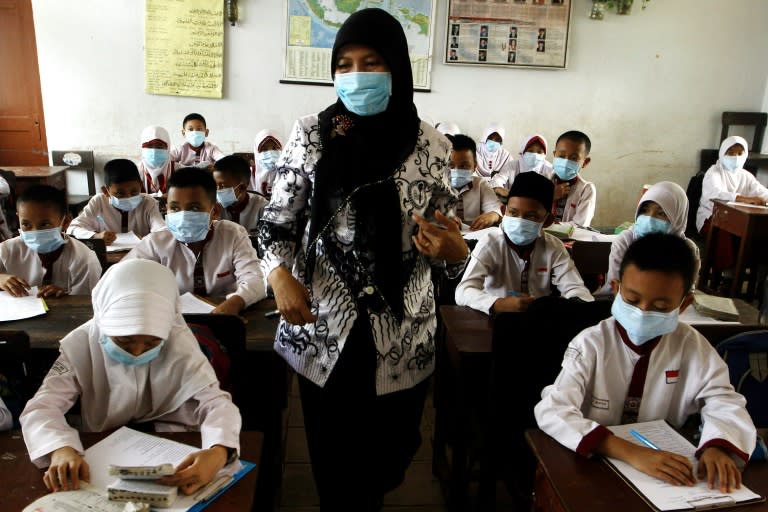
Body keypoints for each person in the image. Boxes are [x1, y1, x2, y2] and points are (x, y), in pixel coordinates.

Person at [258, 8, 469, 510]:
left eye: (372, 62)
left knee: (389, 456)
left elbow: (446, 240)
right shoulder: (312, 133)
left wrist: (455, 252)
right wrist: (279, 274)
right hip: (324, 323)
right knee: (335, 463)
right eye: (345, 63)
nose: (357, 75)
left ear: (397, 65)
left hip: (401, 328)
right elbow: (276, 221)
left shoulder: (433, 147)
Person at [534, 234, 756, 493]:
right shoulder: (591, 344)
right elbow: (552, 409)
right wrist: (630, 452)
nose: (642, 312)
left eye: (660, 307)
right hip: (592, 462)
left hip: (666, 467)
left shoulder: (693, 347)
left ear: (684, 305)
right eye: (632, 300)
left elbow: (724, 401)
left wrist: (718, 445)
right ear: (616, 289)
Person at [20, 259, 241, 495]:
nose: (137, 352)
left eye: (152, 342)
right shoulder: (82, 344)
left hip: (177, 446)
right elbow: (41, 407)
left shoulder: (179, 342)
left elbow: (216, 403)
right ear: (103, 321)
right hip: (105, 450)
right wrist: (60, 448)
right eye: (123, 341)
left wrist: (218, 451)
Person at [124, 167, 265, 315]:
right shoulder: (157, 242)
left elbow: (255, 278)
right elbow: (122, 276)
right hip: (171, 320)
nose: (183, 216)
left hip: (225, 316)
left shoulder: (232, 234)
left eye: (194, 208)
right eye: (175, 208)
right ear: (167, 209)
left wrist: (235, 302)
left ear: (215, 211)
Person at [455, 172, 593, 314]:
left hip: (538, 321)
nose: (520, 221)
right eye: (513, 213)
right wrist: (498, 303)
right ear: (504, 211)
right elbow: (463, 291)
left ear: (547, 221)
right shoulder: (490, 243)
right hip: (496, 320)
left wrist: (578, 304)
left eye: (531, 216)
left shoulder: (554, 247)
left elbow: (575, 288)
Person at [0, 185, 101, 298]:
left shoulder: (84, 259)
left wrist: (67, 297)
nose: (35, 232)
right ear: (18, 218)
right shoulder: (6, 250)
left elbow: (89, 304)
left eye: (44, 224)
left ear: (66, 221)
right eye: (26, 224)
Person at [605, 181, 700, 292]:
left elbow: (686, 291)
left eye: (661, 213)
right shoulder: (625, 241)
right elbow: (615, 287)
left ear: (677, 218)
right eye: (644, 210)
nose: (649, 219)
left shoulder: (688, 250)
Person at [696, 135, 768, 277]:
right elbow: (714, 193)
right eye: (730, 153)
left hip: (739, 221)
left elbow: (762, 193)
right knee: (727, 231)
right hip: (711, 218)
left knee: (756, 232)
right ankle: (727, 273)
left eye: (740, 153)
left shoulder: (746, 176)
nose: (735, 157)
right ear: (722, 153)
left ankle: (758, 272)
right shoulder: (714, 172)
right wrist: (744, 199)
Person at [67, 158, 165, 243]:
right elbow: (73, 227)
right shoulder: (98, 202)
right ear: (106, 191)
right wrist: (95, 236)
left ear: (140, 185)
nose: (128, 197)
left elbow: (162, 230)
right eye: (120, 194)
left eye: (134, 192)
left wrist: (146, 239)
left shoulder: (148, 202)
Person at [446, 134, 502, 231]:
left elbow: (496, 208)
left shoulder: (481, 184)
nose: (456, 171)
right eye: (450, 166)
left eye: (464, 166)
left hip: (474, 238)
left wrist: (492, 215)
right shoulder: (436, 186)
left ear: (475, 166)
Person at [551, 130, 596, 227]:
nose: (566, 162)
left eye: (574, 158)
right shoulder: (540, 181)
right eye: (562, 156)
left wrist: (549, 228)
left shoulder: (586, 189)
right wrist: (549, 195)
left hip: (569, 241)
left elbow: (580, 224)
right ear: (554, 155)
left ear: (585, 162)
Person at [213, 155, 268, 233]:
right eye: (215, 185)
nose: (217, 190)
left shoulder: (261, 207)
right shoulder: (213, 206)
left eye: (223, 186)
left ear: (242, 187)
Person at [492, 134, 553, 199]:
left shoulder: (549, 169)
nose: (535, 155)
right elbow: (498, 180)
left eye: (539, 152)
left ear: (544, 154)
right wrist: (499, 189)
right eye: (530, 151)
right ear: (523, 152)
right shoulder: (512, 166)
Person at [138, 125, 174, 195]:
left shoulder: (178, 170)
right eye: (149, 146)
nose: (154, 151)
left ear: (168, 147)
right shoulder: (136, 171)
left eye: (159, 146)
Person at [251, 129, 283, 196]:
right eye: (264, 149)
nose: (270, 152)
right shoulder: (250, 174)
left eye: (274, 148)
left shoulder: (288, 172)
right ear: (257, 153)